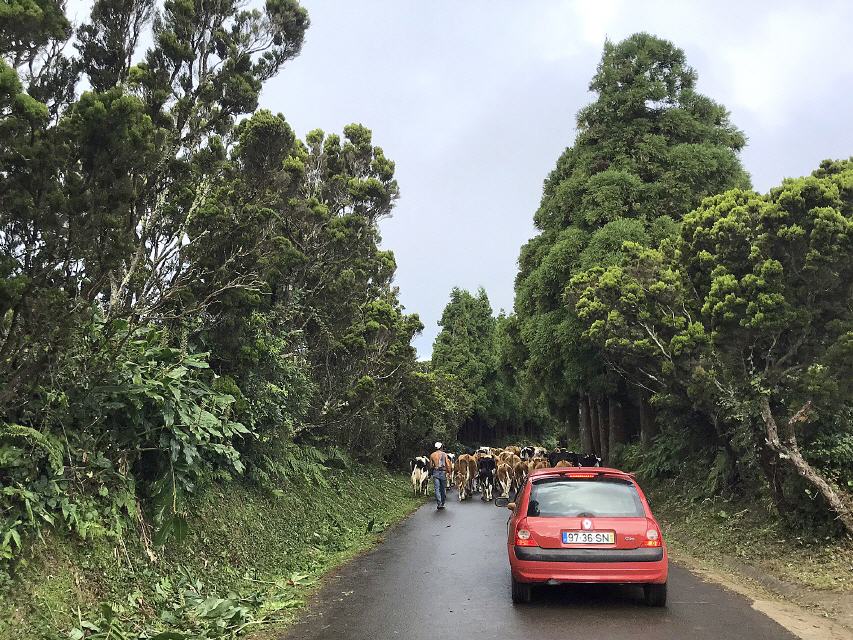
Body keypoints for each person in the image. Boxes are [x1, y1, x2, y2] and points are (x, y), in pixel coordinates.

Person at [429, 442, 452, 509]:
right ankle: (442, 502)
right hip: (443, 472)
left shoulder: (432, 455)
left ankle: (439, 503)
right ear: (441, 447)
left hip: (435, 472)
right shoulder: (444, 454)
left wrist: (434, 466)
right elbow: (447, 464)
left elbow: (430, 466)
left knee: (437, 489)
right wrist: (449, 472)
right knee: (443, 488)